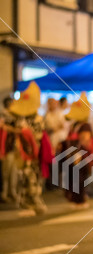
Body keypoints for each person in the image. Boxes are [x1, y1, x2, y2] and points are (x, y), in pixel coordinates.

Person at [9, 82, 53, 214]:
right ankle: (26, 204)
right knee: (23, 177)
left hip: (33, 154)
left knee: (32, 178)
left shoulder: (38, 119)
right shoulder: (22, 118)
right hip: (23, 153)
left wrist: (21, 131)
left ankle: (37, 204)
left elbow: (35, 136)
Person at [58, 122, 93, 208]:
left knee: (81, 181)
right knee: (76, 181)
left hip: (84, 165)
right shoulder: (75, 139)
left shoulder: (91, 141)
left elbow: (92, 153)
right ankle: (76, 200)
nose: (85, 136)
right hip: (75, 164)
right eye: (83, 134)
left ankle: (80, 199)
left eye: (87, 134)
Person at [0, 97, 18, 202]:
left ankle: (12, 192)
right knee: (6, 172)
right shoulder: (3, 114)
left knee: (13, 171)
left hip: (13, 147)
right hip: (6, 147)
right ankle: (5, 193)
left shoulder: (15, 114)